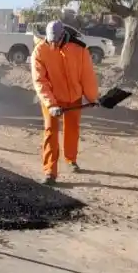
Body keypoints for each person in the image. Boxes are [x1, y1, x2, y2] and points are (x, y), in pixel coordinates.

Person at [31, 20, 99, 185]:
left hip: (73, 97)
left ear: (63, 36)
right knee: (50, 132)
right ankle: (50, 171)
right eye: (50, 40)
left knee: (72, 129)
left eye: (56, 40)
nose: (53, 44)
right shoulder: (39, 51)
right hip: (52, 99)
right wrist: (51, 104)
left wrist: (92, 97)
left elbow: (87, 76)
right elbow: (40, 81)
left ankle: (71, 159)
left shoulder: (79, 49)